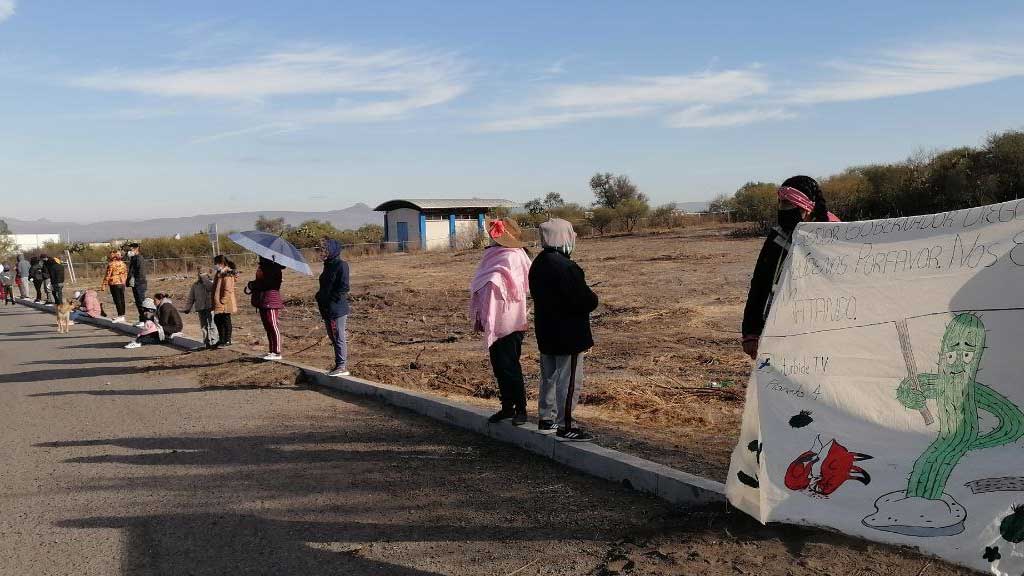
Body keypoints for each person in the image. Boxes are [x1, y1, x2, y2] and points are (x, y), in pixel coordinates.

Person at [741, 176, 840, 360]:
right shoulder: (778, 236)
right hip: (782, 328)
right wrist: (751, 332)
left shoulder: (836, 232)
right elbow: (761, 281)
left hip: (826, 329)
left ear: (807, 206)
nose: (783, 210)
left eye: (789, 204)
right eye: (781, 204)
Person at [529, 218, 599, 441]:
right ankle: (566, 424)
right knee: (568, 381)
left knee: (548, 377)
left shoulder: (538, 263)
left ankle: (545, 418)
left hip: (546, 331)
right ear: (563, 238)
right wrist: (593, 298)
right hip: (569, 335)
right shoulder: (567, 267)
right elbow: (584, 300)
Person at [470, 219, 533, 424]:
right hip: (493, 319)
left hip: (510, 319)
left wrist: (493, 280)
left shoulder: (513, 256)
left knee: (510, 366)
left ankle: (521, 410)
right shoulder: (491, 255)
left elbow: (514, 284)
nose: (490, 237)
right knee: (498, 366)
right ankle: (507, 407)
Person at [316, 239, 351, 376]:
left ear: (333, 250)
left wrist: (330, 299)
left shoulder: (341, 265)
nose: (323, 252)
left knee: (338, 336)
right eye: (322, 250)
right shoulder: (328, 265)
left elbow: (343, 287)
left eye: (325, 249)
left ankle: (341, 366)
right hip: (326, 308)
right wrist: (319, 296)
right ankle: (339, 365)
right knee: (333, 336)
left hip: (336, 308)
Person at [248, 256, 286, 360]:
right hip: (263, 299)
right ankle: (271, 351)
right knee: (268, 326)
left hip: (271, 300)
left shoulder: (274, 268)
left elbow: (269, 284)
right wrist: (253, 284)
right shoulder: (263, 267)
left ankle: (277, 352)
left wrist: (254, 284)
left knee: (273, 325)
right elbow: (260, 282)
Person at [182, 269, 218, 348]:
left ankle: (214, 341)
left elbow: (211, 288)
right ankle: (206, 342)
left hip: (210, 307)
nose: (200, 275)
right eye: (199, 273)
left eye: (202, 273)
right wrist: (188, 308)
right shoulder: (195, 285)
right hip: (200, 308)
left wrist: (205, 279)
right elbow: (191, 297)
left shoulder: (211, 283)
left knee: (212, 325)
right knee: (203, 326)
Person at [212, 255, 237, 347]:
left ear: (221, 263)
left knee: (225, 320)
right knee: (218, 319)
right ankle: (221, 339)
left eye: (216, 263)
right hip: (219, 300)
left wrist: (223, 300)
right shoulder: (220, 272)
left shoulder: (227, 273)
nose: (215, 265)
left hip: (225, 302)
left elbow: (228, 288)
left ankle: (227, 340)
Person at [100, 250, 129, 323]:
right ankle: (122, 315)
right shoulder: (123, 264)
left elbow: (107, 275)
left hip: (114, 283)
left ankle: (120, 315)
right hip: (122, 284)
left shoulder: (111, 264)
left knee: (117, 300)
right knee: (122, 299)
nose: (110, 256)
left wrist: (104, 285)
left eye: (111, 255)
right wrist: (124, 281)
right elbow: (126, 273)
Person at [126, 243, 148, 326]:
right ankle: (142, 319)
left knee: (141, 301)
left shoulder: (139, 258)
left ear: (137, 249)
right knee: (138, 302)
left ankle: (145, 320)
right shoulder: (133, 258)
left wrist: (137, 282)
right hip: (135, 283)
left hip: (140, 283)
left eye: (131, 249)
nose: (130, 251)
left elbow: (141, 272)